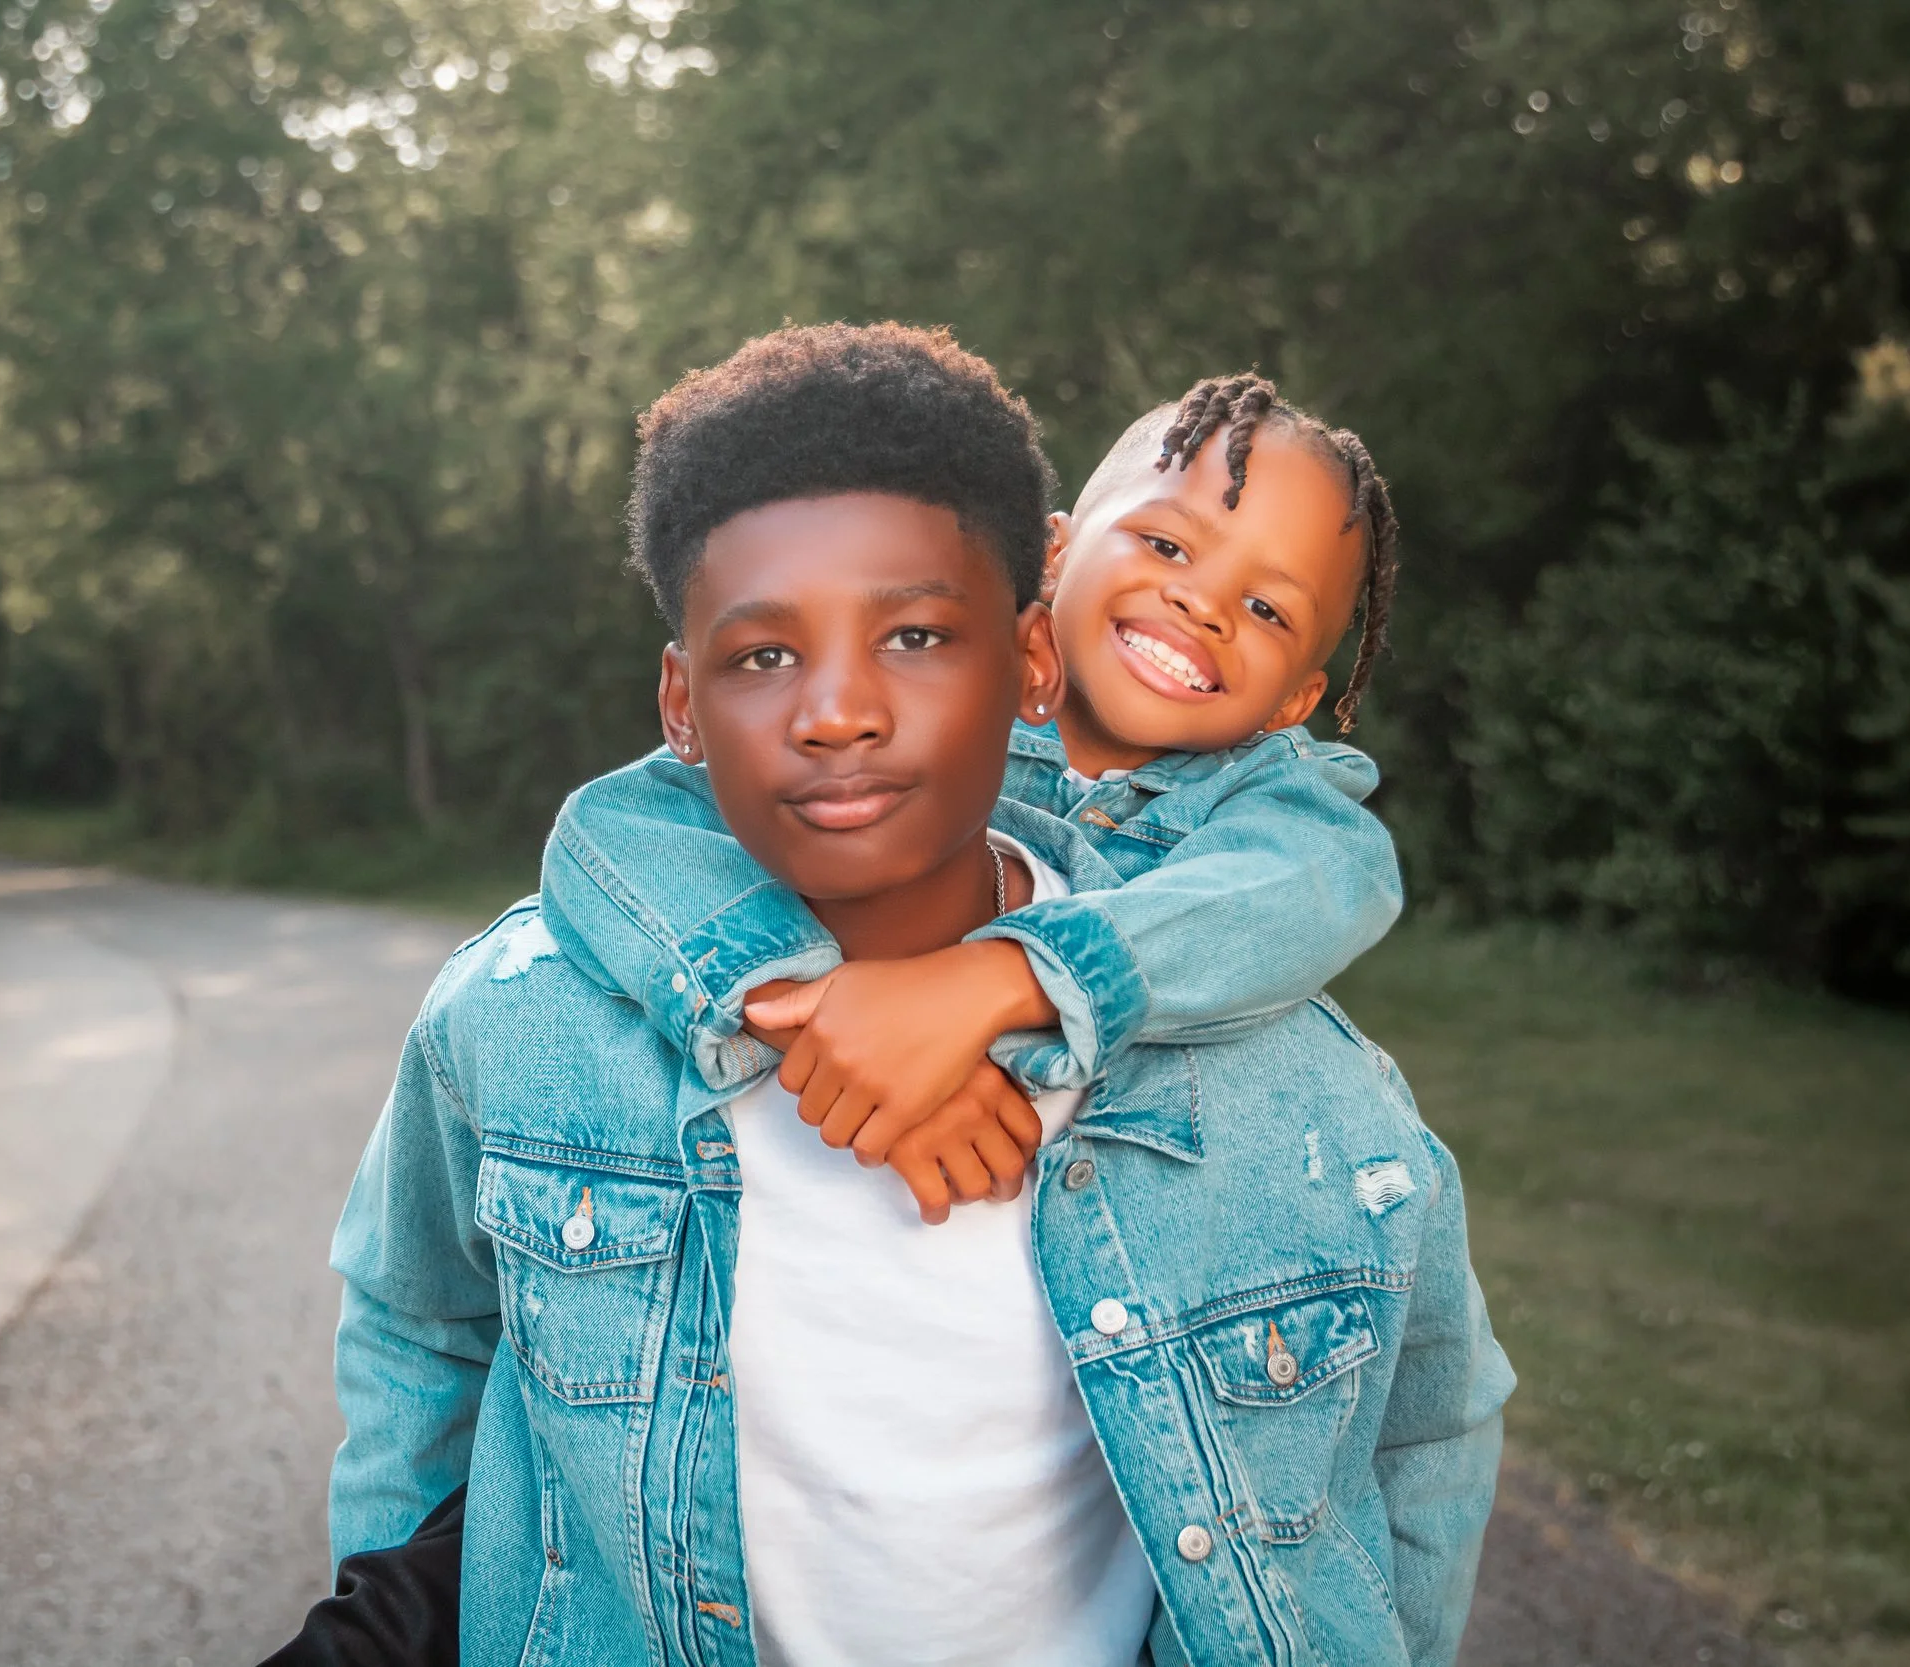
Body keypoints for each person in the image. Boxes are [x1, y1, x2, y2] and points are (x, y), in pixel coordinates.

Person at [296, 322, 1509, 1667]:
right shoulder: (519, 1020)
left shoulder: (1308, 1066)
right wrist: (793, 1007)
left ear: (1025, 655)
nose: (838, 710)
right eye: (764, 656)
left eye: (919, 634)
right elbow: (424, 1327)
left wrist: (994, 988)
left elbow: (1420, 1440)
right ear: (680, 702)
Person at [536, 367, 1407, 1222]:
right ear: (1056, 553)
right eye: (1168, 545)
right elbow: (614, 827)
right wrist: (819, 1026)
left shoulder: (1274, 804)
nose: (1203, 604)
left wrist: (995, 982)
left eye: (1267, 609)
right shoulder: (936, 700)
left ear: (1297, 700)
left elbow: (1319, 886)